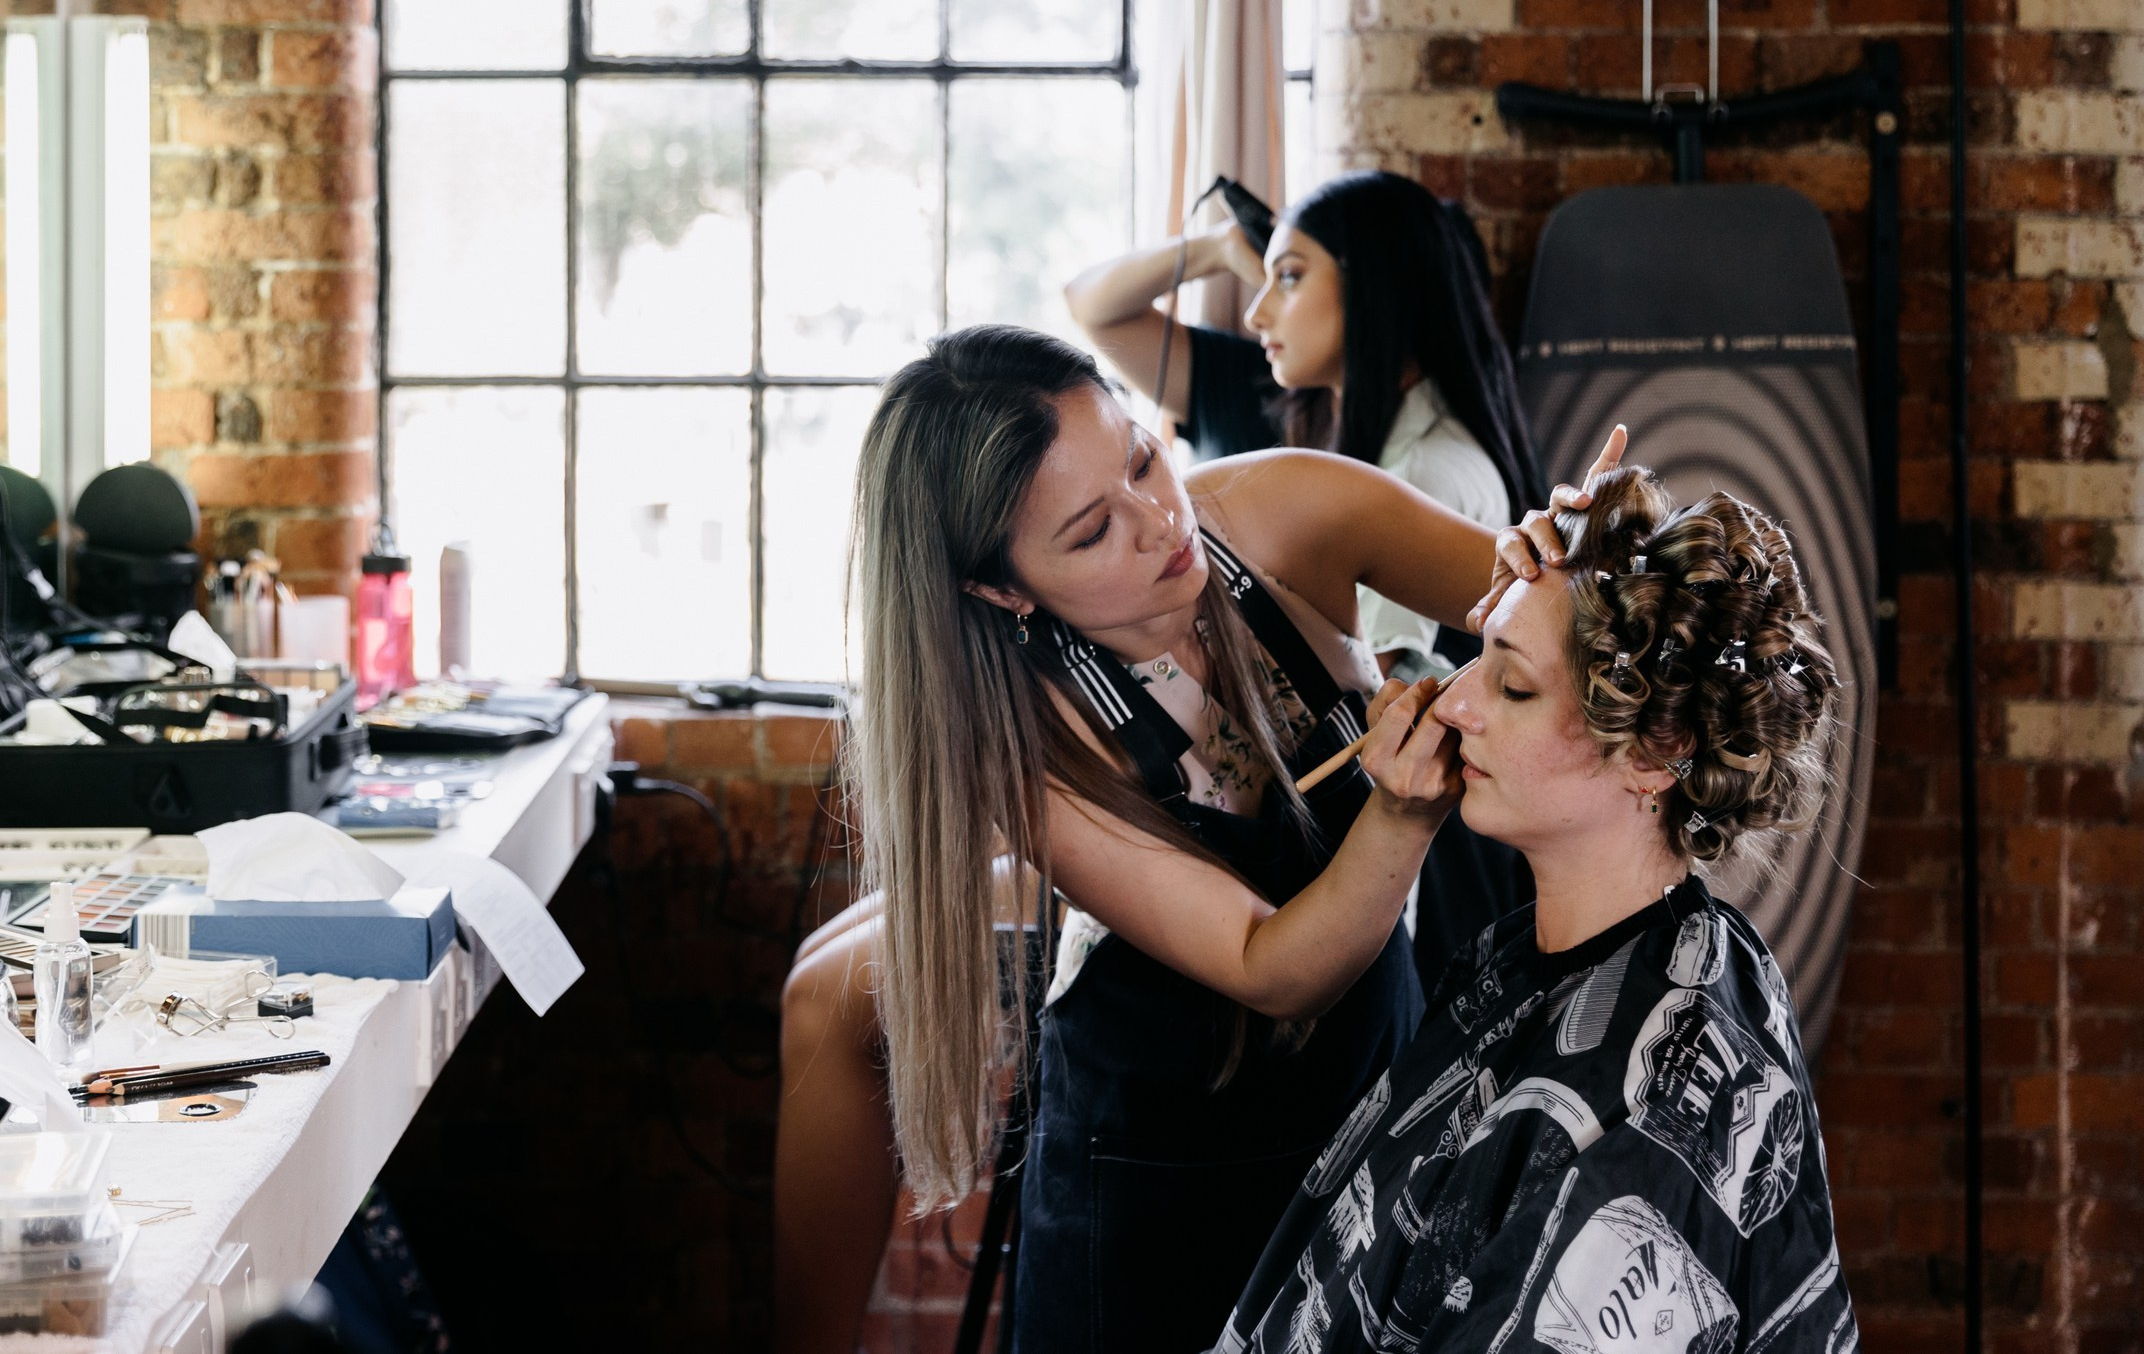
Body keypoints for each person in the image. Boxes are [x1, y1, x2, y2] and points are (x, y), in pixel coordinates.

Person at [788, 323, 1583, 1354]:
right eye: (1088, 534)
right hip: (1152, 1174)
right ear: (1001, 588)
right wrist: (1400, 814)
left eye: (1140, 457)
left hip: (1364, 1100)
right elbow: (1268, 964)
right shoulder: (1025, 734)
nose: (1160, 521)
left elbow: (1565, 618)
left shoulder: (1289, 511)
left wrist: (1569, 556)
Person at [1213, 462, 1851, 1354]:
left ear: (1655, 751)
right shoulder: (1518, 960)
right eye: (1480, 659)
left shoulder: (1654, 1092)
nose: (1457, 701)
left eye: (1513, 686)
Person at [1071, 169, 1543, 994]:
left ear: (1378, 288)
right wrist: (1222, 246)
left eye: (1290, 277)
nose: (1258, 310)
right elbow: (1090, 305)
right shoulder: (1285, 410)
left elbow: (1392, 689)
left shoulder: (1429, 466)